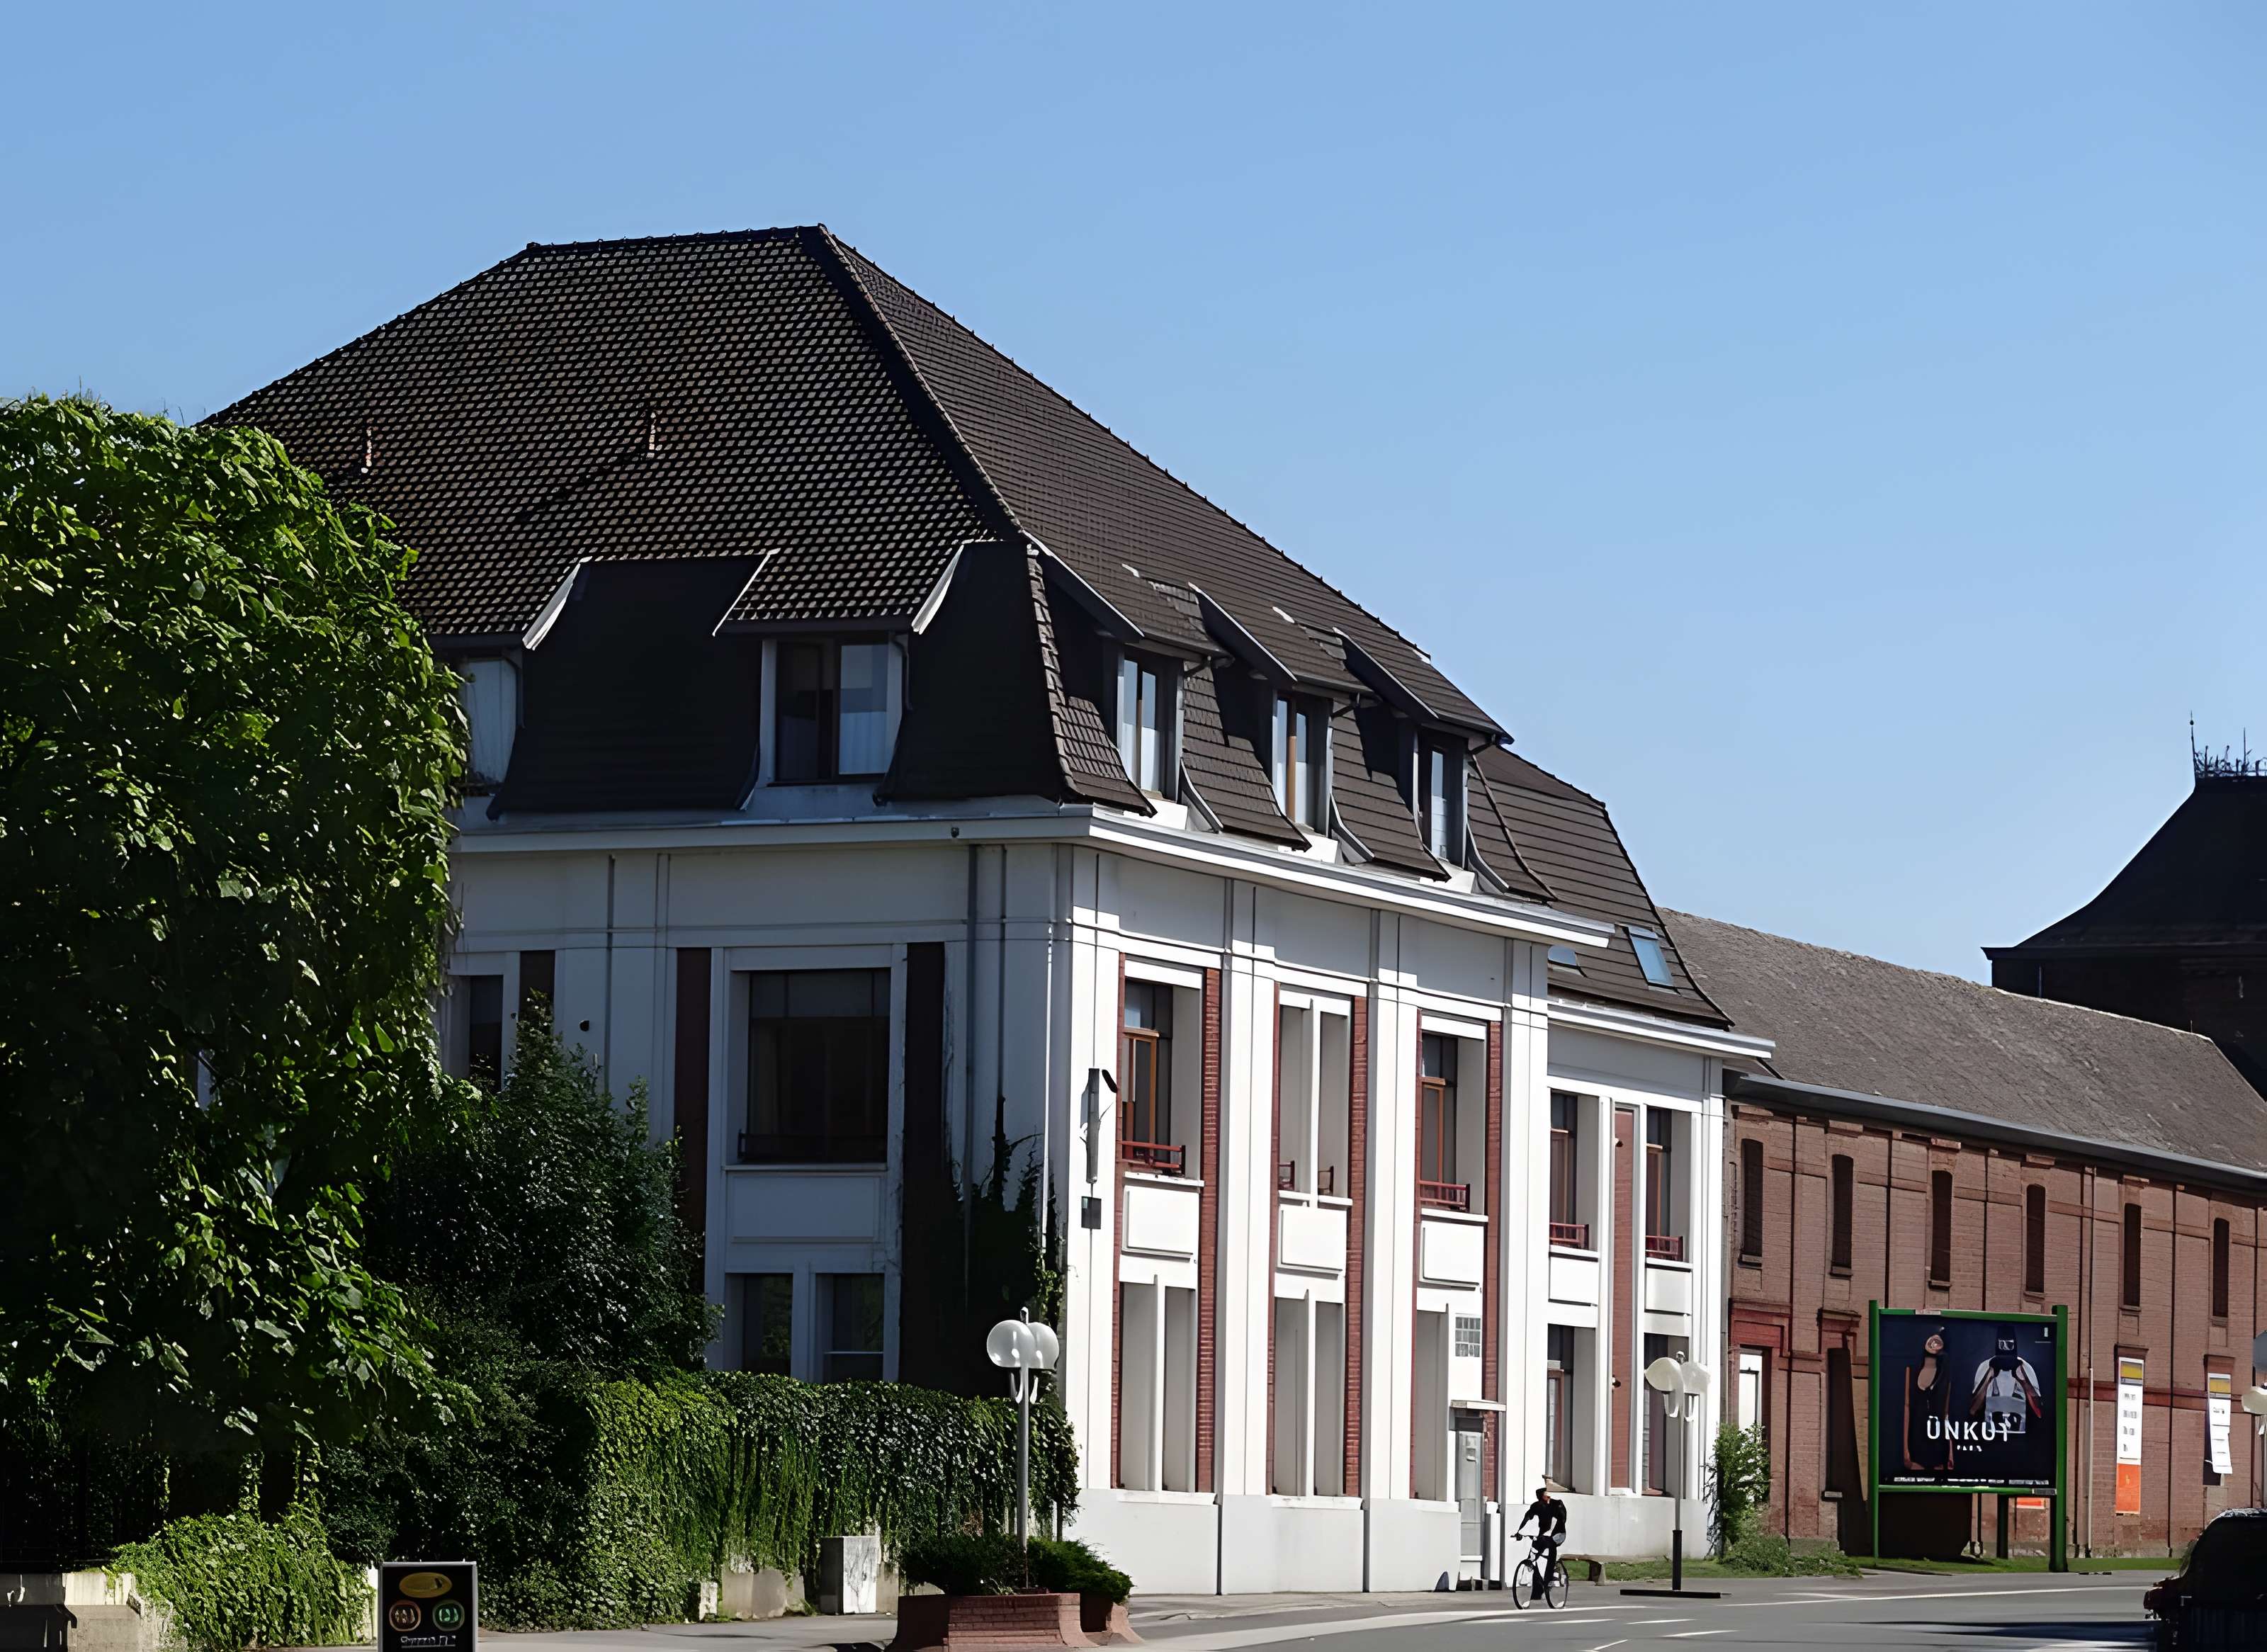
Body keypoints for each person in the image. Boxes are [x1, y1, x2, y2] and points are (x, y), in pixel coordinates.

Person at [1515, 1483, 1568, 1577]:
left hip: (1558, 1534)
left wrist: (1549, 1533)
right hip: (1545, 1534)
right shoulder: (1536, 1506)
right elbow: (1527, 1518)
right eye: (1542, 1497)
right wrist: (1519, 1532)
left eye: (1546, 1496)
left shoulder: (1557, 1504)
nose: (1545, 1499)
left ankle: (1552, 1571)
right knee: (1536, 1544)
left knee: (1549, 1544)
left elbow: (1560, 1520)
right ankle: (1532, 1566)